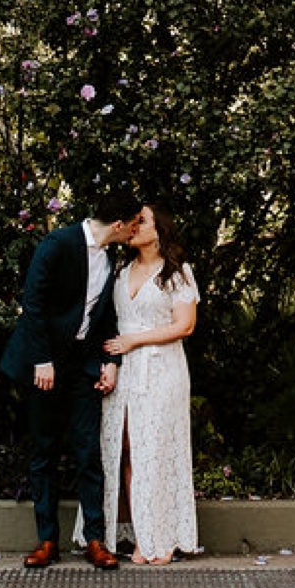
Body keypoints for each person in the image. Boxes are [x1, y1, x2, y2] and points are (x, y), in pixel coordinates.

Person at [0, 193, 143, 570]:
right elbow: (33, 304)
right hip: (43, 365)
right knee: (44, 452)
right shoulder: (58, 244)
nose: (135, 231)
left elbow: (104, 313)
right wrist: (42, 361)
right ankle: (47, 540)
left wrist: (110, 360)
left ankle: (95, 539)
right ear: (118, 225)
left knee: (88, 452)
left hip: (83, 368)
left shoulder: (110, 255)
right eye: (133, 224)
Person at [100, 205, 201, 565]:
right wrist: (112, 362)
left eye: (141, 221)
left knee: (154, 451)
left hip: (162, 370)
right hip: (125, 371)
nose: (133, 226)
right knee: (127, 450)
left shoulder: (177, 273)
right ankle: (139, 532)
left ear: (159, 231)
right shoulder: (120, 272)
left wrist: (135, 341)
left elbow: (184, 325)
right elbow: (110, 323)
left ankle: (159, 538)